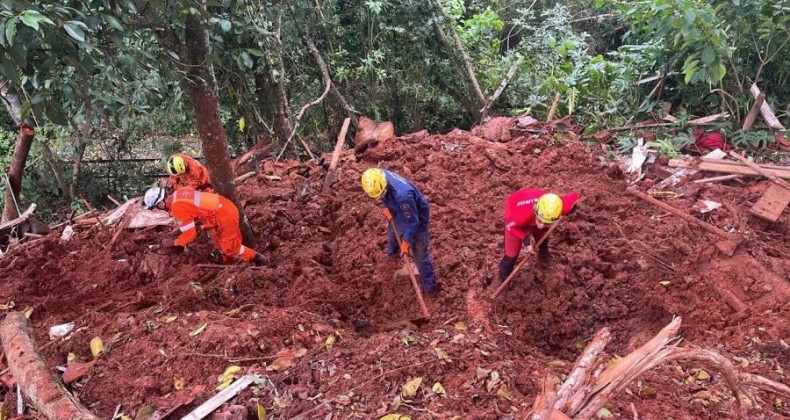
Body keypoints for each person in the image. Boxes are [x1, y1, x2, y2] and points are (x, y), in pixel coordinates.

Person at [361, 168, 439, 296]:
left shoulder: (404, 196)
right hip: (395, 205)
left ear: (384, 184)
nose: (379, 198)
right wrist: (386, 206)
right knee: (393, 231)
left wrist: (406, 242)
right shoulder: (378, 175)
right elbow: (382, 194)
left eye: (381, 195)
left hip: (416, 214)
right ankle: (393, 255)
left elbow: (413, 222)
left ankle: (431, 289)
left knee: (419, 252)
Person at [143, 186, 264, 265]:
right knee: (218, 244)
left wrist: (175, 243)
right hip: (219, 210)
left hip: (223, 214)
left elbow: (190, 235)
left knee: (230, 247)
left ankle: (258, 259)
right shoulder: (178, 194)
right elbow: (195, 210)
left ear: (160, 203)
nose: (159, 210)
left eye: (156, 207)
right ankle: (228, 264)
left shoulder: (177, 207)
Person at [499, 188, 579, 280]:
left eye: (547, 222)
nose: (541, 225)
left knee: (542, 236)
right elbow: (510, 226)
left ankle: (543, 256)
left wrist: (571, 210)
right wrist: (525, 240)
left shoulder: (559, 207)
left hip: (532, 213)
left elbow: (574, 197)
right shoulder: (522, 214)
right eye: (540, 220)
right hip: (516, 214)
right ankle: (504, 276)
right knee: (512, 253)